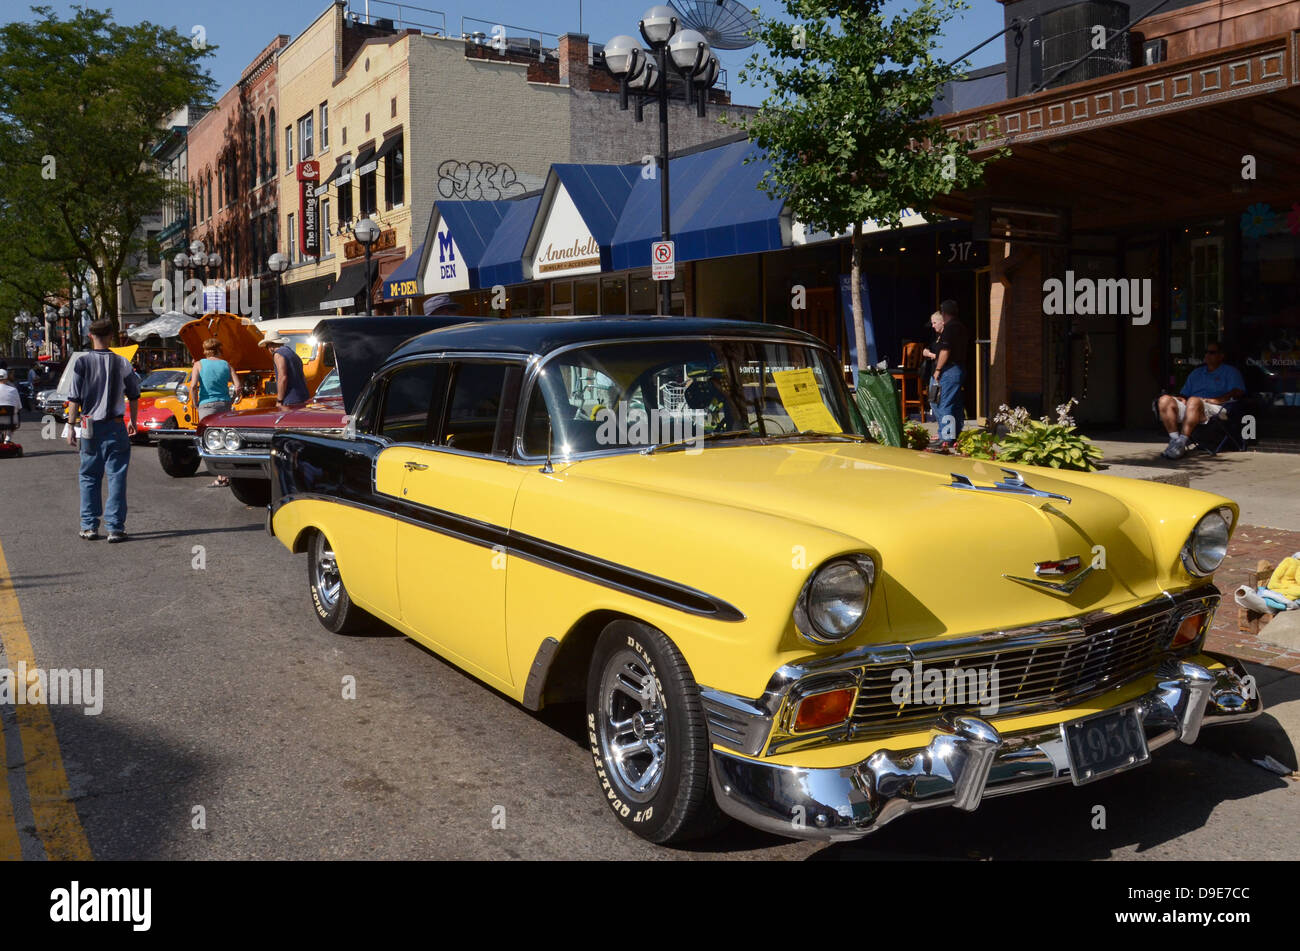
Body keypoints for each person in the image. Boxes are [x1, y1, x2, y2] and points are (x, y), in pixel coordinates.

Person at [66, 319, 140, 542]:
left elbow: (74, 399)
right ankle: (115, 528)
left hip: (89, 425)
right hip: (116, 425)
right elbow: (135, 395)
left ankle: (89, 526)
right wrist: (132, 421)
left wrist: (71, 426)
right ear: (111, 336)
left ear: (90, 336)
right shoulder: (122, 363)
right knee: (116, 476)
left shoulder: (81, 363)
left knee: (89, 475)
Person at [1156, 341, 1246, 459]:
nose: (1207, 355)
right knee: (1164, 400)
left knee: (1193, 400)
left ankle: (1182, 443)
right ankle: (1175, 441)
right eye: (1206, 352)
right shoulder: (1197, 372)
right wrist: (1182, 399)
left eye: (1212, 352)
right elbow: (1185, 394)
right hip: (1193, 406)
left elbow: (1238, 392)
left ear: (1221, 355)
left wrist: (1217, 400)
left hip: (1217, 407)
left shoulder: (1230, 371)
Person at [189, 337, 241, 487]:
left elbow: (193, 386)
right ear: (219, 349)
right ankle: (226, 475)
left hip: (206, 406)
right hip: (224, 404)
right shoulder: (226, 365)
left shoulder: (198, 364)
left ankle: (221, 477)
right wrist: (231, 401)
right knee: (225, 440)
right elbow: (238, 387)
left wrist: (195, 403)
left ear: (205, 351)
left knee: (210, 442)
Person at [931, 299, 968, 448]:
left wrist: (938, 369)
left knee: (944, 403)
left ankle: (945, 438)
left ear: (944, 313)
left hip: (949, 369)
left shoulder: (950, 328)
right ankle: (956, 434)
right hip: (960, 368)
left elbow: (946, 351)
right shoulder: (961, 327)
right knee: (955, 404)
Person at [257, 332, 309, 408]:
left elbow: (283, 378)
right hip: (303, 396)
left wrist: (279, 400)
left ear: (270, 347)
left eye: (266, 347)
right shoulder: (292, 353)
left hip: (290, 399)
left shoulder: (278, 355)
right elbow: (303, 377)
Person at [920, 310, 944, 409]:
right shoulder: (935, 337)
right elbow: (929, 348)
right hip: (933, 373)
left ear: (942, 322)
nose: (933, 326)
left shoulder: (946, 338)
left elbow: (944, 356)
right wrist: (926, 351)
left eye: (934, 323)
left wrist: (930, 354)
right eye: (932, 323)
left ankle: (945, 423)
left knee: (939, 403)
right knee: (933, 402)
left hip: (941, 374)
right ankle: (942, 423)